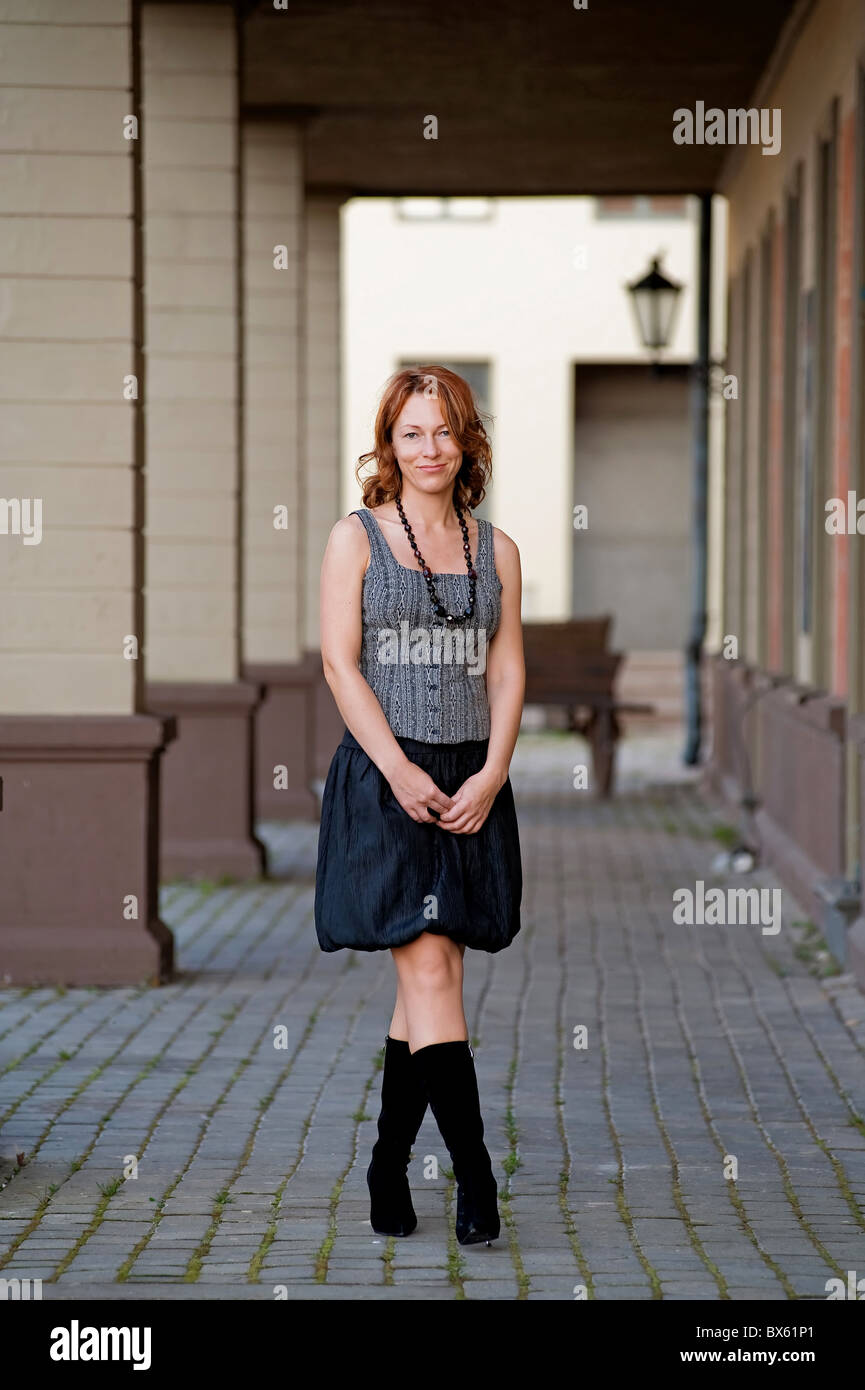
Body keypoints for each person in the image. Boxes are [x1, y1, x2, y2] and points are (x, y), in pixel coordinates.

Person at [314, 364, 524, 1246]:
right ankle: (477, 1182)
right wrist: (398, 770)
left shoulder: (497, 548)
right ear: (388, 443)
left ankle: (386, 1165)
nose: (428, 448)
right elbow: (339, 664)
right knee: (431, 972)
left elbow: (509, 669)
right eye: (411, 433)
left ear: (465, 441)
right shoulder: (353, 539)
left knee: (429, 985)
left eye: (443, 432)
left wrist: (492, 773)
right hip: (385, 778)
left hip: (472, 781)